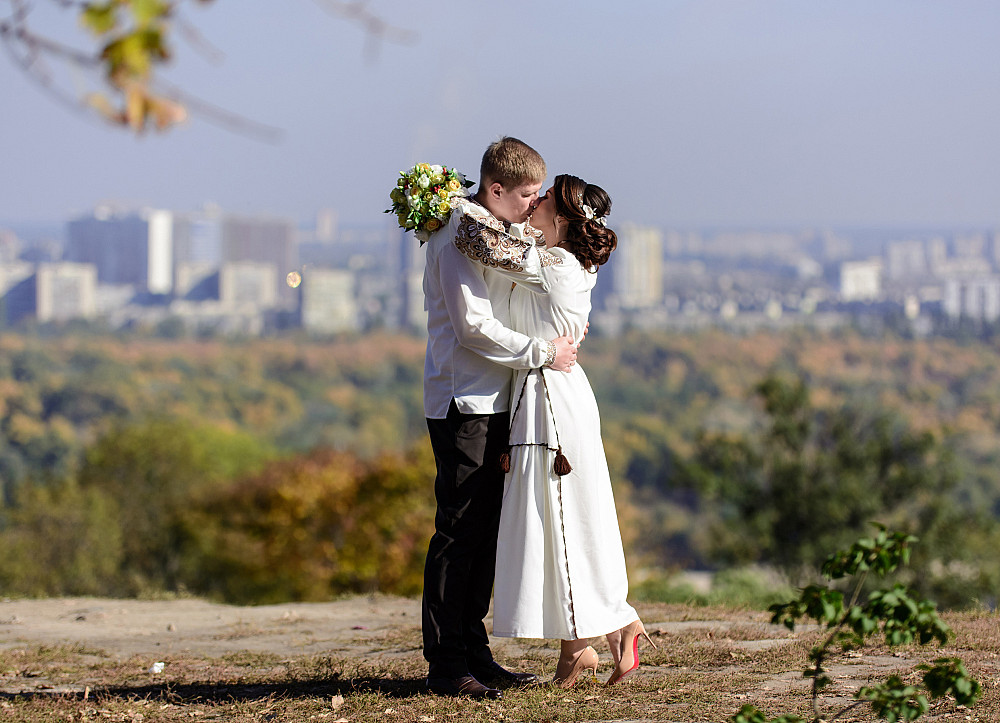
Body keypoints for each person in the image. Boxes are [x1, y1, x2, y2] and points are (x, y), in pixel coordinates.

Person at [420, 138, 578, 700]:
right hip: (465, 402)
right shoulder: (457, 238)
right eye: (528, 195)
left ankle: (474, 651)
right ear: (496, 191)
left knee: (484, 532)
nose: (534, 207)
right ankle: (446, 663)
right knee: (459, 532)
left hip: (494, 402)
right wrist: (543, 352)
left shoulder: (488, 233)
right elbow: (472, 329)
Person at [489, 174, 655, 686]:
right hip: (560, 391)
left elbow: (487, 246)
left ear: (561, 219)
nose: (532, 205)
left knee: (559, 516)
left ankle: (596, 637)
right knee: (574, 514)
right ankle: (595, 638)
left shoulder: (556, 263)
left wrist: (452, 205)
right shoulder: (574, 262)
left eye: (542, 202)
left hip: (550, 399)